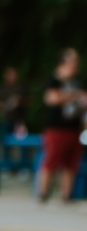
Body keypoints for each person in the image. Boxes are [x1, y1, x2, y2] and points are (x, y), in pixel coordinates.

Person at [38, 48, 86, 203]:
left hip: (74, 127)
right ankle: (43, 194)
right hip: (56, 128)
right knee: (51, 160)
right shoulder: (54, 80)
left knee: (72, 163)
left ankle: (67, 195)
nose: (76, 65)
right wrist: (74, 96)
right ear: (64, 63)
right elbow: (52, 99)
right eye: (73, 61)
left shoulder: (79, 81)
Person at [0, 67, 28, 138]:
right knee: (5, 143)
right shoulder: (2, 88)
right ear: (6, 76)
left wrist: (20, 101)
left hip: (19, 121)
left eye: (14, 74)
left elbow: (30, 100)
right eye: (10, 74)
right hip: (5, 120)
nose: (13, 76)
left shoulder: (21, 88)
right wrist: (0, 106)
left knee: (22, 142)